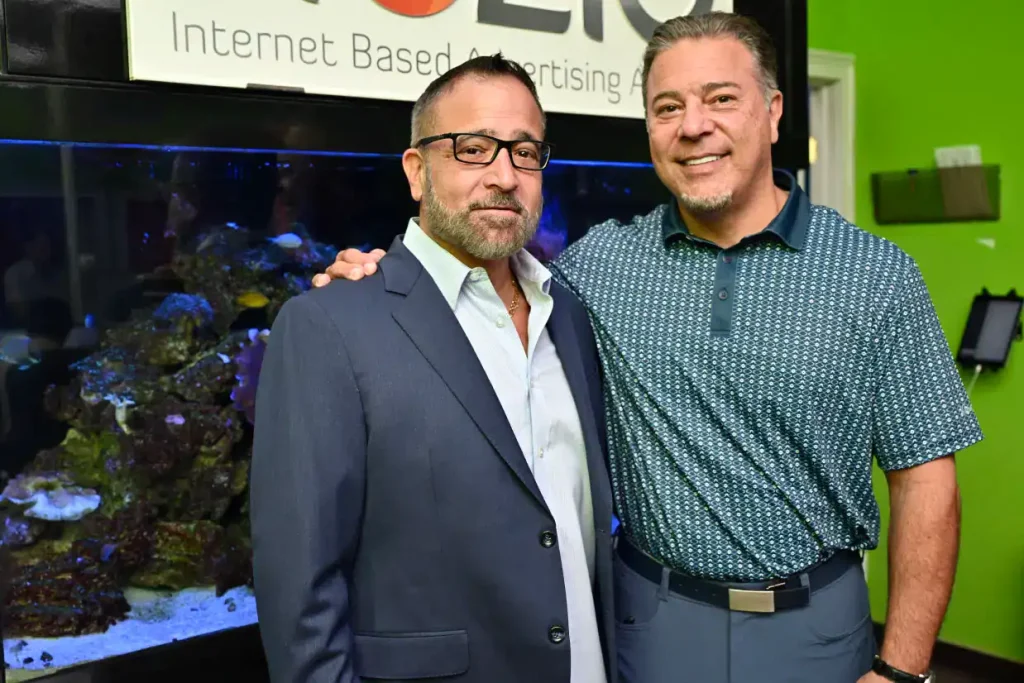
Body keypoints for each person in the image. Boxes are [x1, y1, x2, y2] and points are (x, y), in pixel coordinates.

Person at [313, 11, 982, 683]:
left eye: (722, 98)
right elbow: (480, 282)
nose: (694, 126)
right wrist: (379, 276)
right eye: (669, 107)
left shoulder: (876, 275)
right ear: (650, 129)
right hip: (652, 625)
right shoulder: (598, 267)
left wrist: (901, 669)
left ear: (774, 113)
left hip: (817, 625)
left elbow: (925, 479)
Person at [250, 54, 616, 683]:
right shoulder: (329, 327)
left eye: (525, 152)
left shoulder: (571, 317)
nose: (504, 174)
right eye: (473, 148)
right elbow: (300, 596)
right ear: (417, 171)